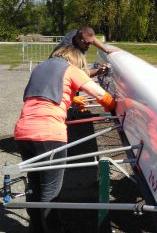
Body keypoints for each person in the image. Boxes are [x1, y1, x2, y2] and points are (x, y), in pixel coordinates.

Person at [14, 46, 116, 232]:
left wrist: (70, 99)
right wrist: (113, 105)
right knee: (51, 191)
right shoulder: (69, 68)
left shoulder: (40, 67)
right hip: (49, 133)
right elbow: (99, 93)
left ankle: (36, 228)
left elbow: (43, 95)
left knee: (35, 185)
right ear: (74, 60)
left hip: (23, 131)